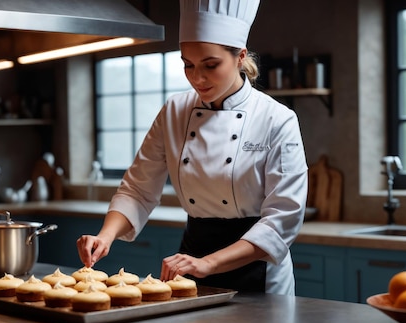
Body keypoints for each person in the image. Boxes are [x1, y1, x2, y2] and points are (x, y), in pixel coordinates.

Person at [76, 0, 308, 295]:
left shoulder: (277, 119)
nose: (197, 78)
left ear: (240, 57)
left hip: (257, 270)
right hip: (189, 266)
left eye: (211, 65)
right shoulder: (175, 110)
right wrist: (105, 236)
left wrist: (209, 263)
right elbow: (138, 189)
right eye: (188, 64)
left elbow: (282, 220)